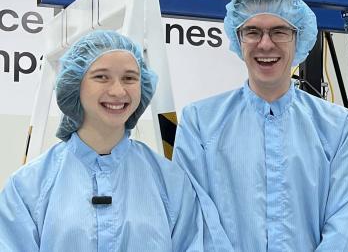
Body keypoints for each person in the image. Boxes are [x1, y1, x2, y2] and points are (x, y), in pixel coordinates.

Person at [172, 0, 348, 251]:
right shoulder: (200, 123)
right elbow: (194, 221)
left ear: (298, 37)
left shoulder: (338, 128)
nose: (265, 44)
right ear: (238, 38)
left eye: (279, 31)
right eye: (253, 31)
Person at [0, 30, 211, 251]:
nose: (118, 91)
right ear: (75, 83)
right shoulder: (29, 185)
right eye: (101, 76)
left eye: (129, 78)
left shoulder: (170, 182)